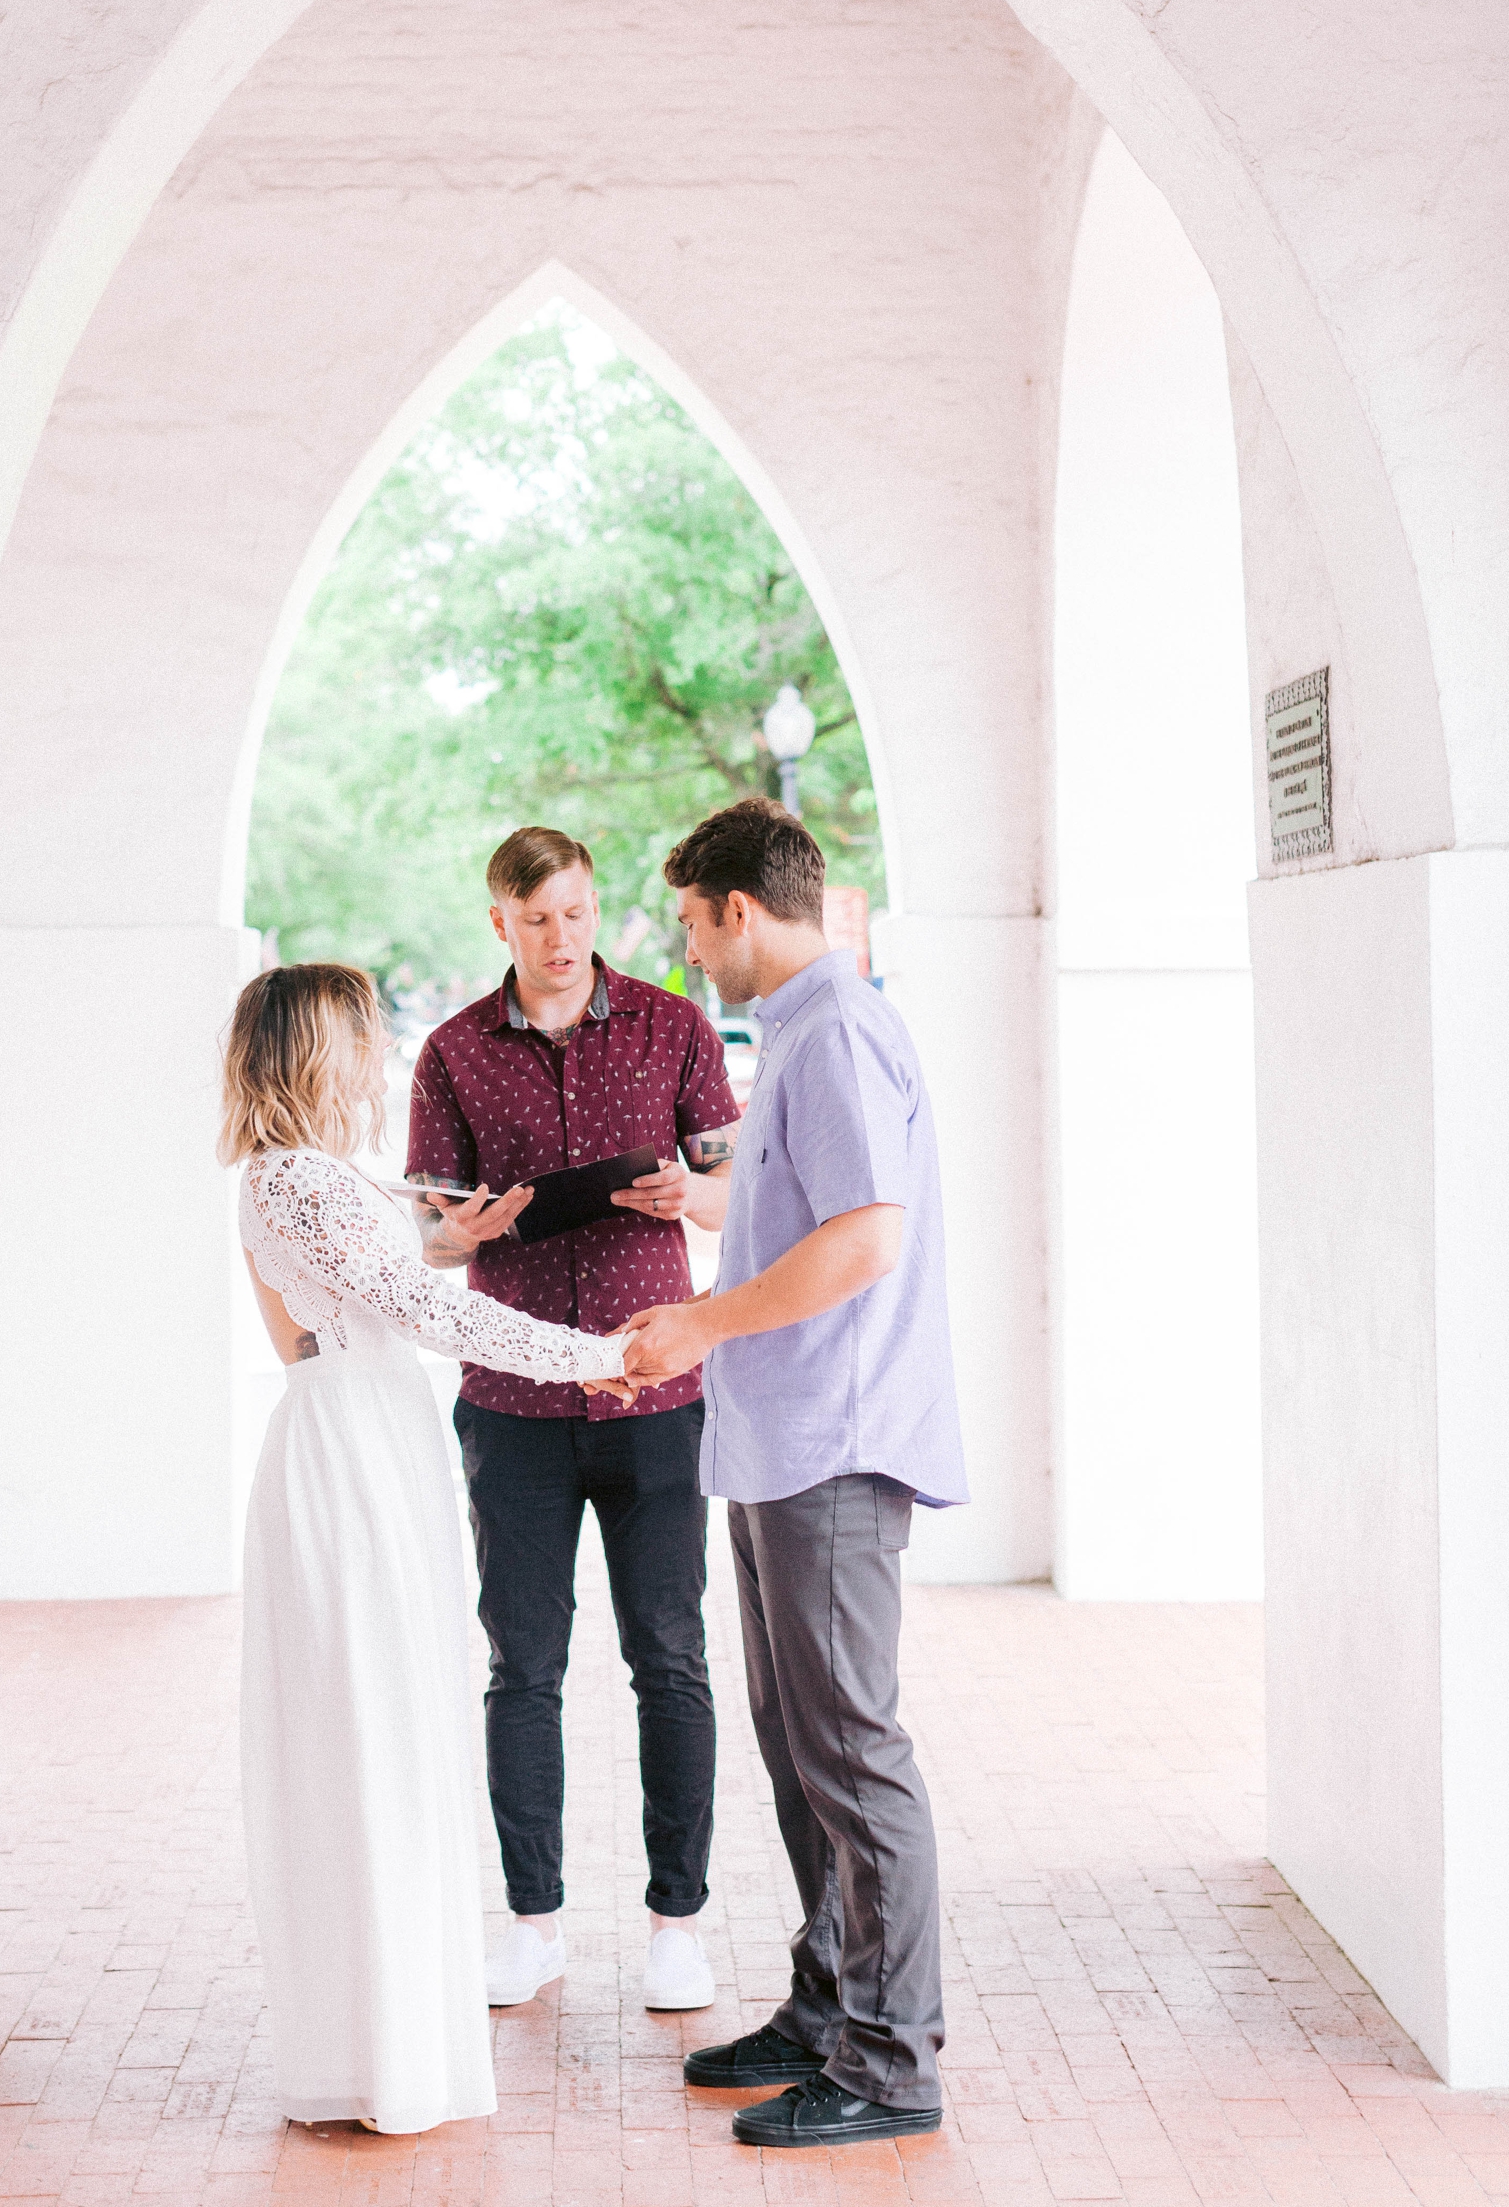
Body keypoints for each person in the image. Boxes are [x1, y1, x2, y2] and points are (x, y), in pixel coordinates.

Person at [222, 960, 637, 2139]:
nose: (377, 1056)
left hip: (360, 1436)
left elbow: (375, 1286)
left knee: (385, 1728)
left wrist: (429, 1235)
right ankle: (386, 2055)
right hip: (350, 1453)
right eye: (359, 1036)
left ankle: (382, 2039)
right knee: (375, 1731)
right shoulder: (298, 1177)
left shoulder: (302, 1178)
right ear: (316, 1052)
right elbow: (432, 1318)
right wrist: (597, 1354)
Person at [620, 798, 968, 2152]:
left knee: (853, 1751)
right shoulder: (806, 1031)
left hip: (834, 1442)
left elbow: (868, 1236)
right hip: (779, 1445)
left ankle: (890, 2062)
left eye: (695, 924)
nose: (694, 953)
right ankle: (827, 2010)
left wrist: (700, 1321)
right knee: (800, 1746)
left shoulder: (834, 1029)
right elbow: (804, 1214)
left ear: (737, 907)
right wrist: (703, 1215)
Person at [406, 826, 741, 2012]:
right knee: (523, 1670)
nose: (561, 939)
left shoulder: (674, 1028)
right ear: (498, 921)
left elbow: (732, 1188)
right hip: (512, 1406)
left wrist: (686, 1193)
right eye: (537, 918)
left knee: (670, 1659)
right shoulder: (450, 1053)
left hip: (655, 1394)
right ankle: (534, 1922)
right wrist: (468, 1234)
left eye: (578, 912)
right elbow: (430, 1235)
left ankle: (676, 1926)